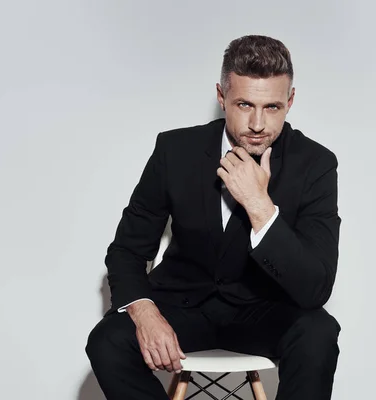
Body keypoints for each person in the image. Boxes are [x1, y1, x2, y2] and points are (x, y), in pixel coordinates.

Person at [85, 34, 342, 400]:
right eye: (244, 104)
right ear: (221, 97)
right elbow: (127, 250)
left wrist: (259, 206)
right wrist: (145, 313)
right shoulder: (175, 151)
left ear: (290, 101)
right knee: (106, 341)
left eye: (272, 107)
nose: (257, 123)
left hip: (263, 312)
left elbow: (316, 287)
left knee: (319, 333)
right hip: (184, 307)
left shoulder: (315, 164)